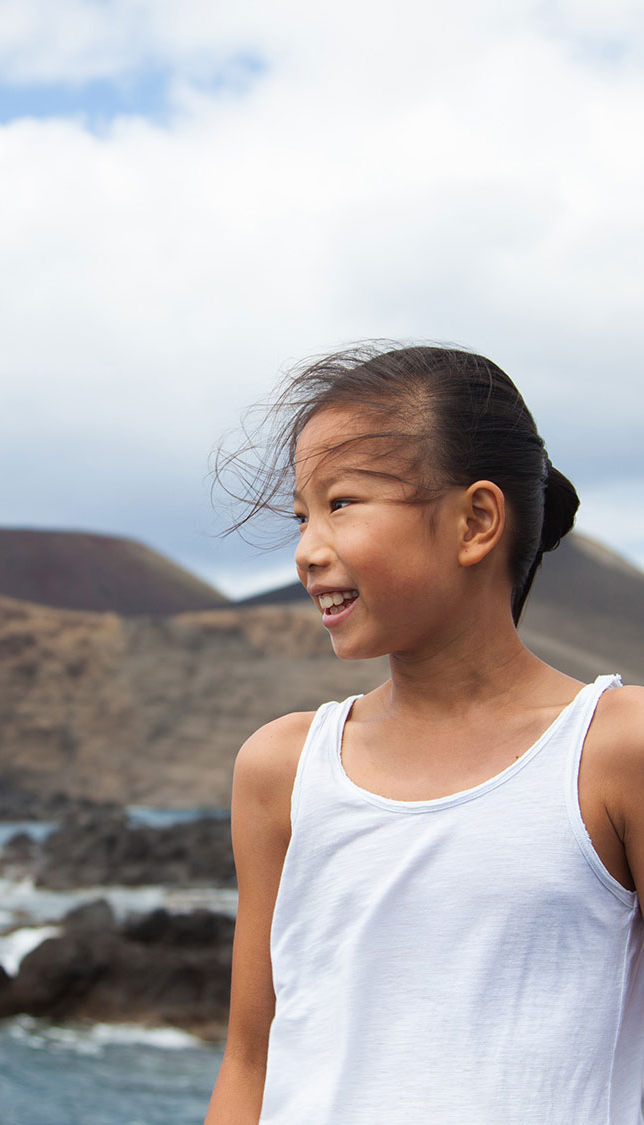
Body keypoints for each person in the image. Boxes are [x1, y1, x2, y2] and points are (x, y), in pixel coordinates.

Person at [204, 343, 644, 1124]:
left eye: (340, 503)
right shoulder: (281, 766)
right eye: (301, 514)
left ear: (475, 521)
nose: (307, 549)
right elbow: (251, 1058)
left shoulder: (612, 751)